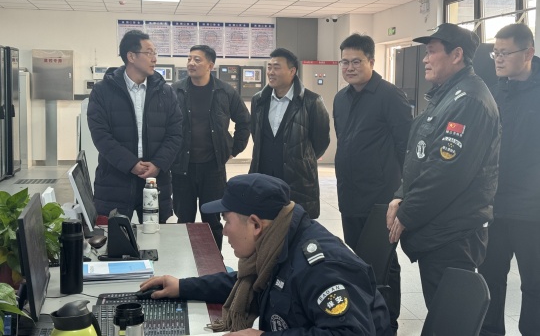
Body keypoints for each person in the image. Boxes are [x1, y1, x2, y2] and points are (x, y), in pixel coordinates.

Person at [140, 173, 392, 336]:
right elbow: (247, 282)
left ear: (255, 224)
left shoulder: (320, 267)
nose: (224, 231)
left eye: (226, 221)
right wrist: (182, 286)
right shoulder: (277, 245)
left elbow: (349, 333)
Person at [386, 23, 501, 308]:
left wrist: (408, 212)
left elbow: (446, 173)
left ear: (457, 55)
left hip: (453, 235)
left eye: (431, 52)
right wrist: (401, 194)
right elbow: (420, 156)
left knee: (449, 316)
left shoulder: (469, 100)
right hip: (439, 228)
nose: (425, 59)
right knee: (441, 311)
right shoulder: (446, 95)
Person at [334, 33, 412, 334]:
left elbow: (406, 146)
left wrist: (401, 193)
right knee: (358, 260)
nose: (349, 68)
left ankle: (387, 323)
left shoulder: (390, 96)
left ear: (371, 61)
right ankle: (366, 316)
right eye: (345, 62)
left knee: (383, 264)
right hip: (349, 196)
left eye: (356, 61)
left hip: (381, 199)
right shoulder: (341, 98)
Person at [478, 23, 540, 336]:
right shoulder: (494, 91)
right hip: (495, 209)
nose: (498, 59)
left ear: (528, 53)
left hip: (532, 212)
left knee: (535, 286)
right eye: (495, 53)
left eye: (505, 53)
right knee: (489, 280)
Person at [87, 30, 183, 222]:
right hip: (115, 180)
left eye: (155, 53)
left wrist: (158, 164)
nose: (154, 58)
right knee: (113, 235)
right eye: (149, 52)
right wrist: (130, 164)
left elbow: (176, 133)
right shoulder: (103, 91)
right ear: (131, 56)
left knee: (157, 234)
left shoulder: (165, 92)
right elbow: (100, 135)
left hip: (155, 181)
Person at [171, 45, 250, 250]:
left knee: (212, 220)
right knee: (184, 220)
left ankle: (214, 262)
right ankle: (183, 260)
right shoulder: (175, 91)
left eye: (197, 59)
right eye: (189, 59)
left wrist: (233, 150)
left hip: (213, 168)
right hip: (182, 168)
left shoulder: (225, 91)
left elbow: (244, 121)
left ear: (210, 65)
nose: (191, 63)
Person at [249, 48, 330, 218]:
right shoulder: (259, 100)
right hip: (263, 176)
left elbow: (321, 142)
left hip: (297, 180)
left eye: (276, 67)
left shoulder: (311, 101)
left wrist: (300, 158)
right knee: (263, 225)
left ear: (292, 71)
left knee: (295, 224)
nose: (271, 72)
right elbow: (256, 135)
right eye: (269, 67)